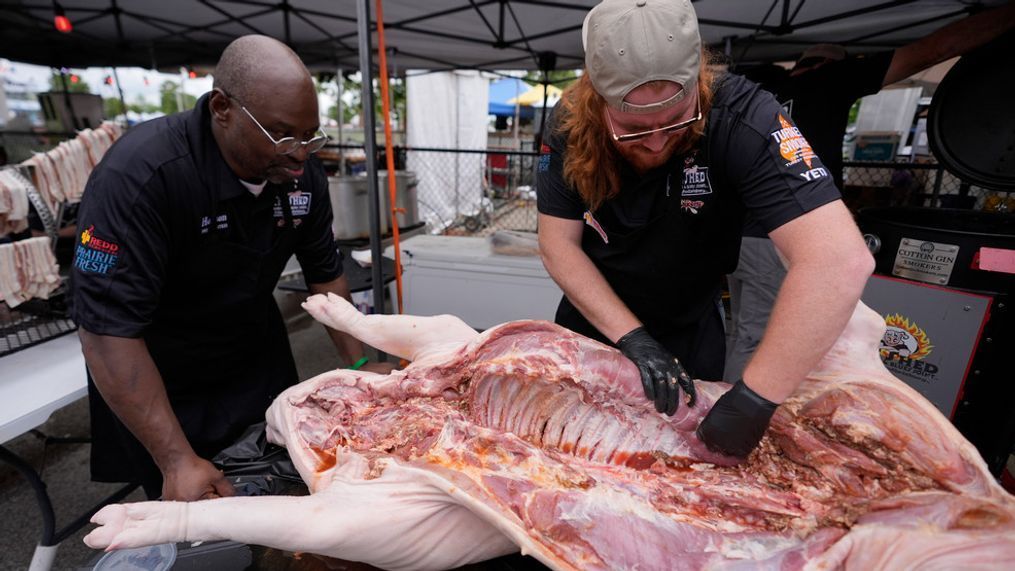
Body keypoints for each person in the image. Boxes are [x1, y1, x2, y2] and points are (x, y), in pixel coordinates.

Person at [536, 0, 874, 460]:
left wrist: (756, 399)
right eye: (634, 130)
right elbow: (559, 244)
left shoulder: (747, 115)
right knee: (568, 465)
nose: (656, 143)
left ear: (698, 83)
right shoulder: (568, 122)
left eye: (675, 121)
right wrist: (631, 337)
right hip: (594, 320)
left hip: (690, 323)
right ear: (599, 100)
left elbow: (838, 260)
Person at [70, 35, 392, 501]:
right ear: (223, 108)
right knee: (197, 515)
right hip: (162, 377)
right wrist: (176, 459)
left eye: (310, 136)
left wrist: (359, 362)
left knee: (285, 489)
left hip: (254, 357)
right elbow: (106, 331)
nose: (300, 153)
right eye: (283, 134)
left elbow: (325, 272)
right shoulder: (142, 175)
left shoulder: (299, 175)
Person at [724, 1, 1015, 383]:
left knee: (744, 331)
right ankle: (736, 422)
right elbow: (930, 51)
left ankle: (733, 405)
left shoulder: (769, 91)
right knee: (765, 339)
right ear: (831, 63)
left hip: (742, 235)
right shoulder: (831, 79)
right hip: (784, 237)